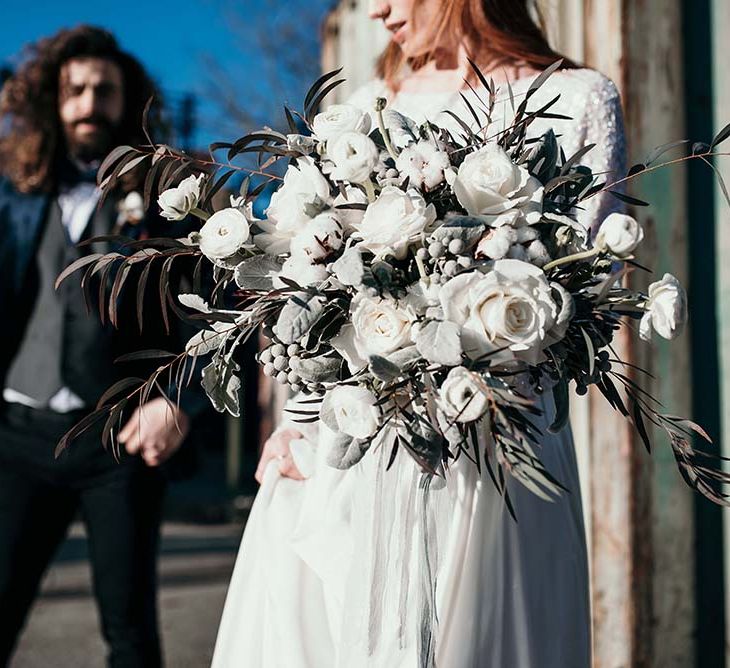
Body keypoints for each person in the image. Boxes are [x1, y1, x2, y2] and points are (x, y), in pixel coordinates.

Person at [213, 0, 626, 665]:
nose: (376, 11)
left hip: (495, 451)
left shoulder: (576, 100)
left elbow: (570, 286)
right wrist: (299, 420)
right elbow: (307, 285)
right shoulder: (366, 110)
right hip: (346, 448)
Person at [0, 26, 200, 667]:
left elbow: (213, 316)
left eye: (103, 90)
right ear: (52, 102)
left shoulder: (167, 203)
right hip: (15, 435)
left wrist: (176, 400)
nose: (89, 103)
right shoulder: (14, 192)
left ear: (126, 99)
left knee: (131, 633)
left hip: (116, 439)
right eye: (74, 90)